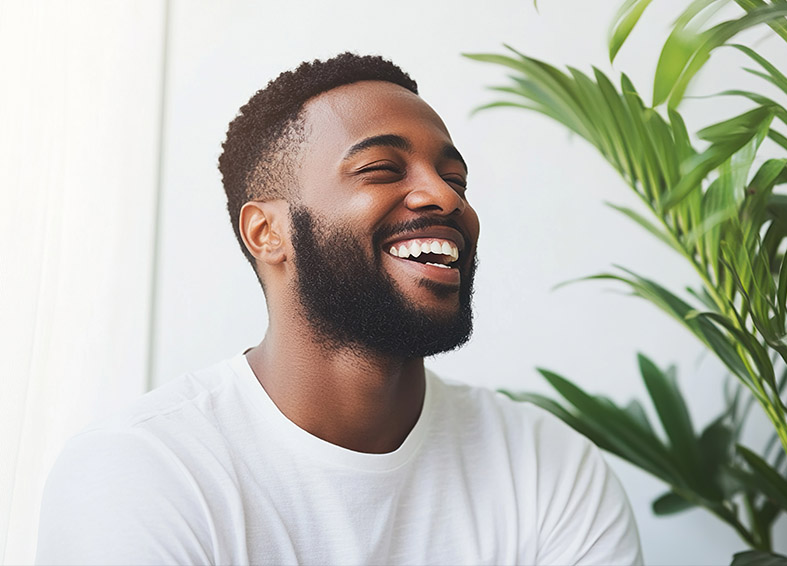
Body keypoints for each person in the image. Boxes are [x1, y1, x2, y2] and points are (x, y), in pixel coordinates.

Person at [36, 53, 642, 565]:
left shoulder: (548, 470)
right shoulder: (141, 474)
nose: (444, 196)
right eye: (381, 168)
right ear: (267, 232)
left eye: (454, 177)